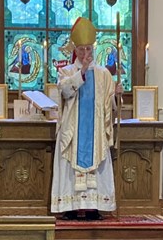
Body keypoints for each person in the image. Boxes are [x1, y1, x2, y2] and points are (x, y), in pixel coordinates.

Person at [51, 17, 122, 221]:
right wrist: (81, 72)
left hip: (95, 129)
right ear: (75, 49)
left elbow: (110, 104)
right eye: (81, 49)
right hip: (73, 130)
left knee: (97, 164)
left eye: (88, 49)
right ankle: (71, 207)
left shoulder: (103, 74)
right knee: (70, 165)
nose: (85, 53)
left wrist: (117, 95)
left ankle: (93, 207)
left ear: (93, 48)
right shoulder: (66, 71)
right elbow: (65, 91)